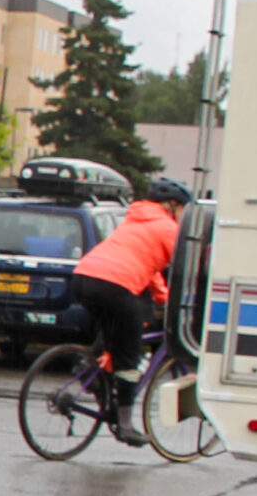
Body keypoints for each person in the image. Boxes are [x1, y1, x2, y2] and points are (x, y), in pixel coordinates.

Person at [71, 175, 188, 445]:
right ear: (171, 206)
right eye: (183, 208)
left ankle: (92, 370)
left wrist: (162, 296)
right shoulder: (168, 228)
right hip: (114, 285)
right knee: (130, 352)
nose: (184, 215)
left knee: (113, 335)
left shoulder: (136, 220)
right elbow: (185, 269)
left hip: (84, 277)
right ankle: (124, 423)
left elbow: (147, 265)